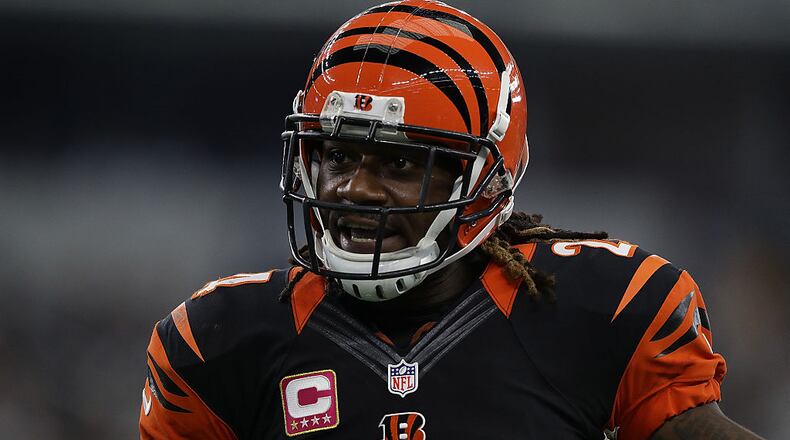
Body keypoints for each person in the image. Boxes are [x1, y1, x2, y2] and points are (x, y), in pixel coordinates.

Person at [139, 1, 762, 438]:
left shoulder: (602, 311)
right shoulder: (218, 341)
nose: (356, 188)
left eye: (401, 162)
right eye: (338, 154)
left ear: (485, 181)